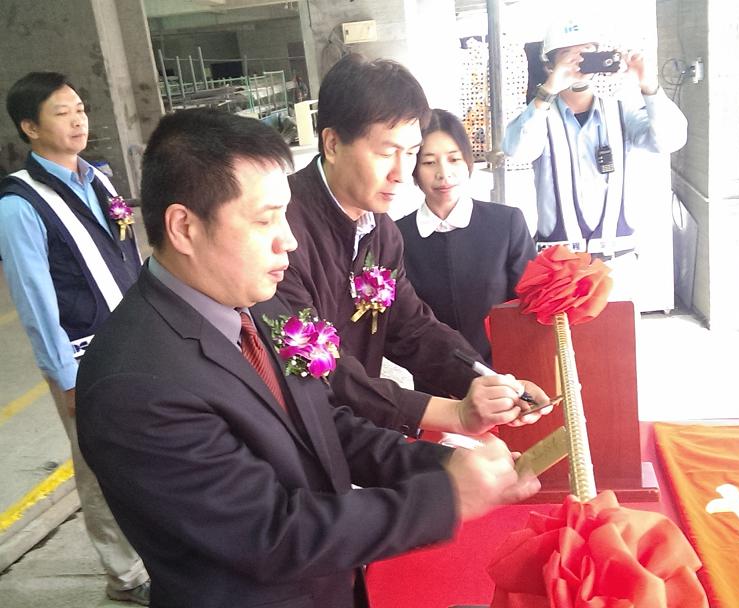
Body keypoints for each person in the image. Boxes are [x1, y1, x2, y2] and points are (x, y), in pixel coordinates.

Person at [75, 108, 541, 608]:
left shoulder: (257, 305)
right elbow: (268, 534)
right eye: (265, 220)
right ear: (184, 227)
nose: (289, 240)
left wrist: (446, 463)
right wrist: (444, 499)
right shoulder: (136, 383)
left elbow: (325, 425)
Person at [279, 54, 549, 439]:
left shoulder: (382, 232)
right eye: (386, 152)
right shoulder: (280, 231)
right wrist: (453, 414)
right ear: (333, 143)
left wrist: (484, 380)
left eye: (410, 153)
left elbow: (411, 327)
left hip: (353, 432)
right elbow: (316, 364)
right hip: (297, 435)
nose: (402, 174)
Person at [0, 72, 149, 604]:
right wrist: (65, 380)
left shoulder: (99, 178)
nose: (78, 119)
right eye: (61, 112)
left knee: (151, 451)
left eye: (80, 108)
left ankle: (159, 548)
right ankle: (126, 575)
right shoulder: (20, 205)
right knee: (99, 464)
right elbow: (35, 300)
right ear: (29, 127)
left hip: (135, 340)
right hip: (85, 357)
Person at [503, 15, 688, 301]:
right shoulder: (539, 116)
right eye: (569, 56)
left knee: (618, 331)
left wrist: (649, 85)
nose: (580, 64)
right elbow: (517, 149)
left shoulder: (622, 112)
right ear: (549, 65)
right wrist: (547, 91)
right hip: (558, 266)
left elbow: (670, 140)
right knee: (560, 333)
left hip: (617, 264)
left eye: (588, 55)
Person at [396, 109, 536, 393]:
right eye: (429, 162)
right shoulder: (397, 237)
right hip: (435, 391)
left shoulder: (506, 223)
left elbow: (527, 308)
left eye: (454, 159)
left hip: (504, 384)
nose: (443, 173)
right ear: (414, 169)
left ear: (468, 161)